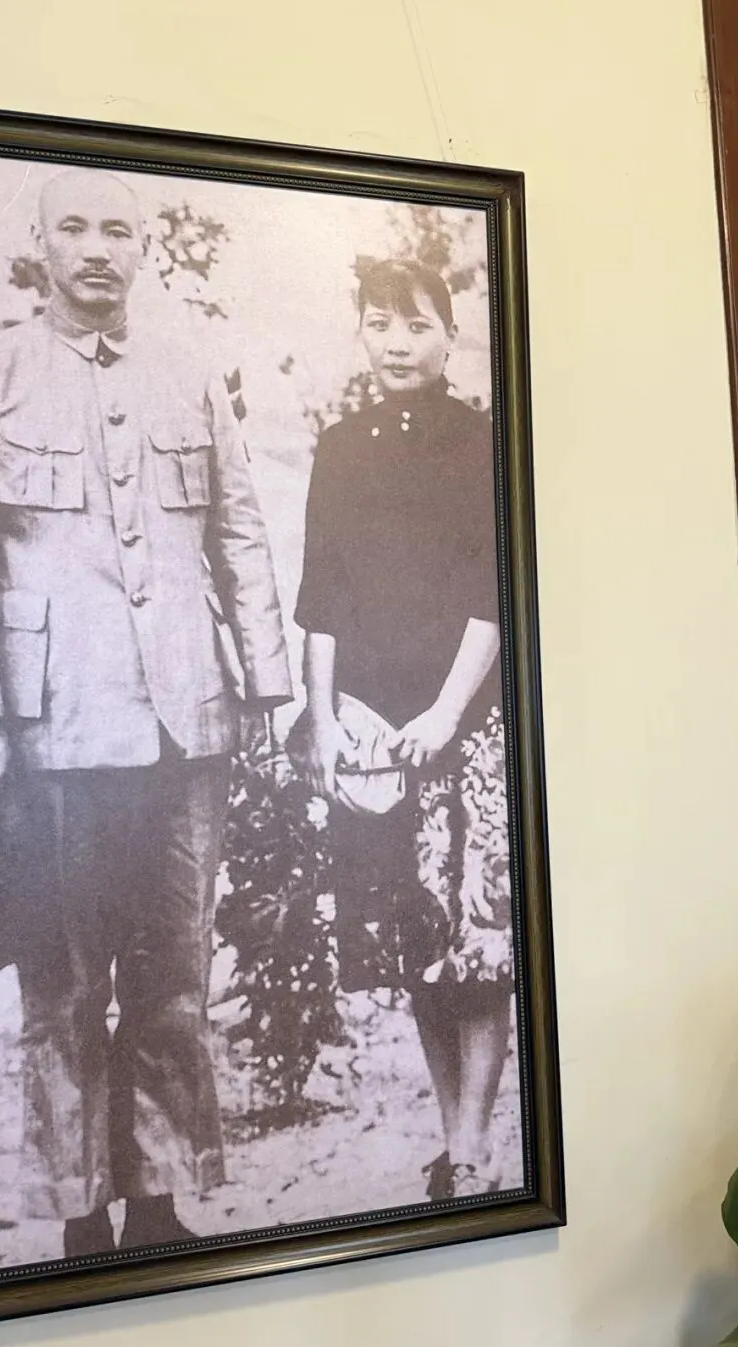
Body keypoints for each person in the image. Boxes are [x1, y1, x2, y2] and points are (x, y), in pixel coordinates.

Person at [0, 168, 292, 1257]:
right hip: (51, 733)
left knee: (174, 980)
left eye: (118, 228)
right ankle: (79, 1211)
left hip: (182, 724)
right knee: (62, 988)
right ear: (42, 244)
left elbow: (239, 531)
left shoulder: (187, 368)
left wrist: (264, 684)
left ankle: (159, 1197)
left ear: (144, 247)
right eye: (74, 227)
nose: (97, 247)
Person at [294, 259, 515, 1200]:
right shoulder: (340, 448)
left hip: (467, 724)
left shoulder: (483, 441)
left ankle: (472, 1147)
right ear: (361, 331)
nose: (397, 342)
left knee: (479, 945)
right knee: (414, 944)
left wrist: (447, 712)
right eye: (380, 323)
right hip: (373, 738)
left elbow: (493, 589)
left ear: (450, 336)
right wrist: (324, 719)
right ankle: (452, 1137)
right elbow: (322, 598)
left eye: (417, 324)